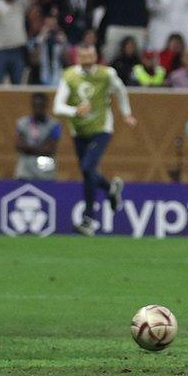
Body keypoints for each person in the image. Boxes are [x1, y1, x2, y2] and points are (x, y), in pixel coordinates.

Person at [53, 44, 137, 236]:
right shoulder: (69, 76)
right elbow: (57, 107)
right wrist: (75, 111)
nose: (88, 60)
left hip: (101, 128)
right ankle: (110, 189)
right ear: (77, 58)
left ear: (96, 56)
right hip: (78, 130)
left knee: (87, 168)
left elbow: (121, 90)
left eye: (91, 56)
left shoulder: (107, 74)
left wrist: (126, 113)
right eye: (84, 56)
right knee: (87, 173)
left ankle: (89, 219)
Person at [15, 92, 62, 181]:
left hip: (46, 165)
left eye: (41, 105)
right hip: (25, 168)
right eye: (36, 105)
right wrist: (39, 148)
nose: (38, 109)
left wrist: (28, 148)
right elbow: (19, 145)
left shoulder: (54, 125)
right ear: (32, 105)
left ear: (46, 106)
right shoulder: (22, 123)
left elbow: (50, 149)